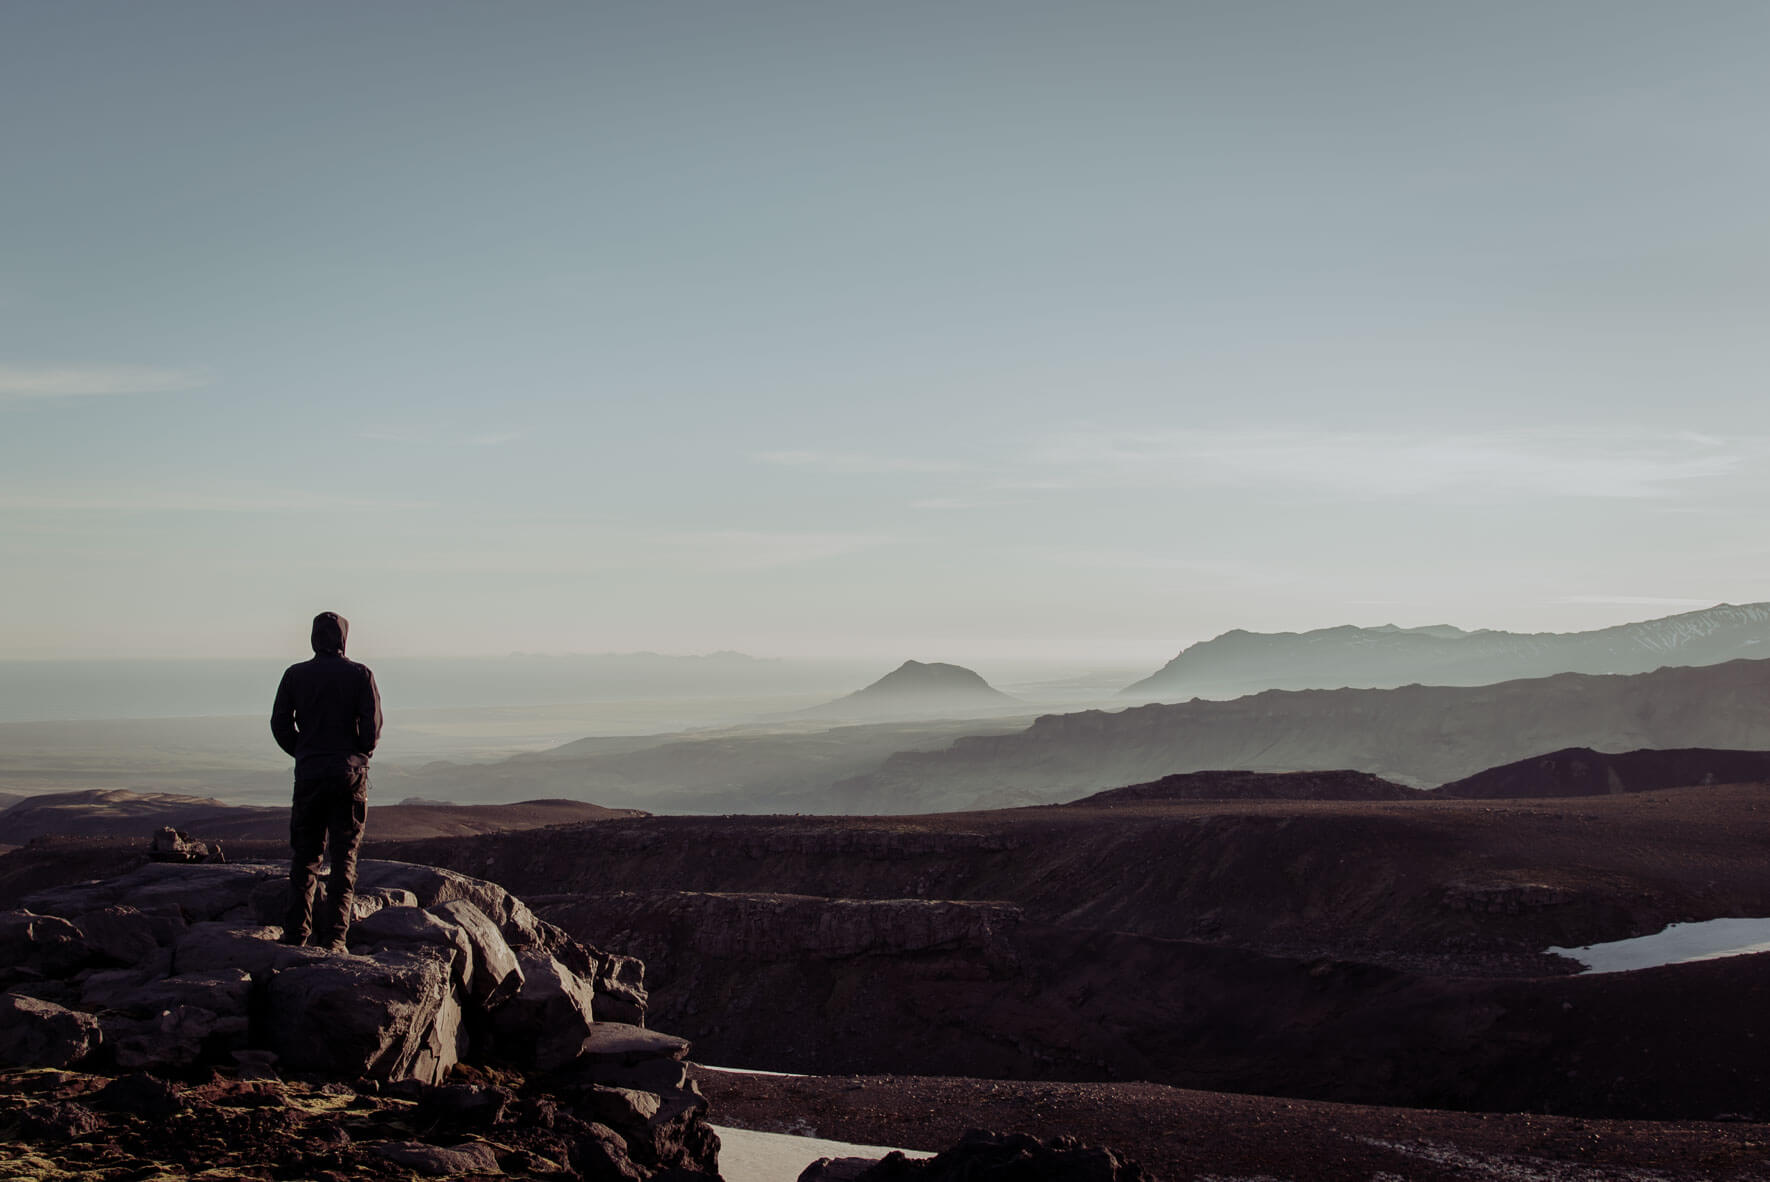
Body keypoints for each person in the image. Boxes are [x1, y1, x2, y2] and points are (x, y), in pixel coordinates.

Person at [270, 611, 383, 951]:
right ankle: (336, 938)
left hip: (309, 775)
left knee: (305, 858)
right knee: (344, 857)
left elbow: (279, 724)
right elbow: (371, 730)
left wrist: (303, 752)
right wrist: (358, 753)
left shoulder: (294, 675)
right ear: (343, 639)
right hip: (348, 776)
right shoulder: (360, 675)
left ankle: (295, 936)